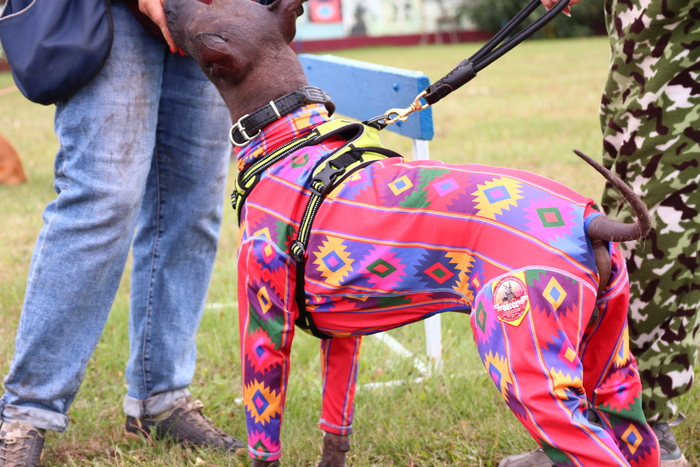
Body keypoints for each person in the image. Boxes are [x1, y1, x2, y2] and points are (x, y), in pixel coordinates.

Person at [0, 0, 244, 465]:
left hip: (211, 12)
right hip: (110, 13)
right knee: (103, 199)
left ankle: (162, 401)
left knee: (193, 205)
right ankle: (26, 412)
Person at [499, 0, 699, 466]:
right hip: (638, 105)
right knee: (619, 260)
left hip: (680, 117)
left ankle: (647, 437)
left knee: (660, 257)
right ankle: (609, 417)